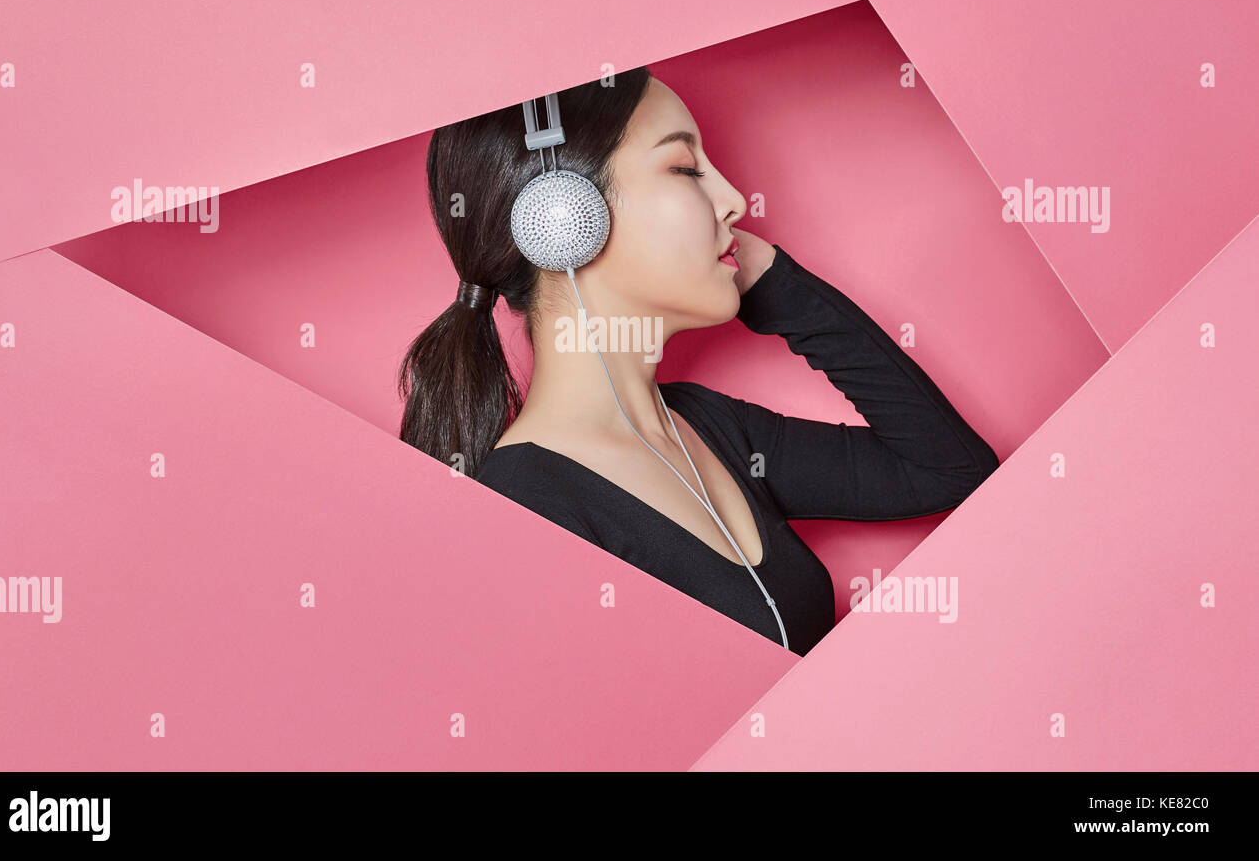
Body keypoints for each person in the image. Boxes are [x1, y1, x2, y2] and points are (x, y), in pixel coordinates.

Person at [399, 68, 999, 655]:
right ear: (562, 220)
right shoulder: (526, 508)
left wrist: (780, 291)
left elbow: (948, 470)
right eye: (685, 168)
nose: (735, 201)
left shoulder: (707, 428)